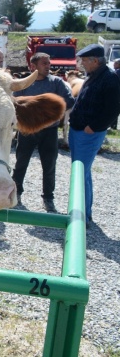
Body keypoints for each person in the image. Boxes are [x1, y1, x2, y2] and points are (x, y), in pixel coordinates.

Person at [12, 53, 75, 213]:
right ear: (33, 66)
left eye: (48, 63)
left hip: (49, 131)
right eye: (44, 63)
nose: (48, 66)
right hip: (27, 131)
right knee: (21, 163)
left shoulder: (56, 83)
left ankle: (48, 199)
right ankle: (16, 193)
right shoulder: (23, 84)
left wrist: (48, 107)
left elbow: (69, 101)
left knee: (49, 166)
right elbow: (14, 104)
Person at [69, 44, 120, 227]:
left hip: (88, 133)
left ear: (95, 61)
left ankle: (83, 218)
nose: (82, 64)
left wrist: (94, 127)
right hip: (78, 131)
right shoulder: (94, 76)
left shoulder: (110, 79)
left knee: (80, 174)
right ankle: (83, 212)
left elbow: (113, 110)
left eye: (84, 61)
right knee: (83, 173)